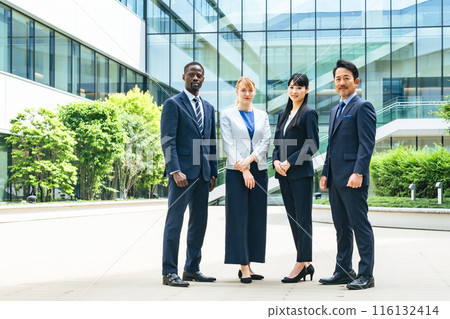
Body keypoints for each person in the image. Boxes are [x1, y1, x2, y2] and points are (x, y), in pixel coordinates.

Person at [319, 59, 376, 290]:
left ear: (356, 81)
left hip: (353, 178)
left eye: (346, 78)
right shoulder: (335, 110)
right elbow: (331, 147)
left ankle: (366, 275)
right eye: (338, 79)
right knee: (341, 227)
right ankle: (344, 270)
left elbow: (366, 144)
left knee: (359, 226)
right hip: (335, 178)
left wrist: (359, 172)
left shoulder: (363, 107)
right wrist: (324, 173)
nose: (341, 82)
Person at [160, 62, 218, 287]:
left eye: (200, 75)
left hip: (203, 175)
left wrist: (212, 172)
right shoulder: (172, 104)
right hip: (182, 174)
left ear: (203, 79)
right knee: (174, 223)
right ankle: (169, 272)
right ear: (183, 76)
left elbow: (211, 142)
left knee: (199, 223)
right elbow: (168, 140)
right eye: (192, 74)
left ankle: (192, 268)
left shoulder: (209, 107)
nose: (196, 78)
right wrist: (175, 170)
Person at [220, 76, 270, 284]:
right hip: (236, 171)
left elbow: (266, 140)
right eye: (243, 90)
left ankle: (250, 263)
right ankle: (243, 266)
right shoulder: (227, 114)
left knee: (256, 219)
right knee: (238, 218)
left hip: (258, 168)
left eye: (250, 90)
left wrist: (250, 161)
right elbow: (227, 143)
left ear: (254, 92)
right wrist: (244, 169)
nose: (247, 94)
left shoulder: (262, 114)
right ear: (237, 92)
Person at [272, 73, 319, 283]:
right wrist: (276, 162)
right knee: (293, 219)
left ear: (306, 90)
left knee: (303, 220)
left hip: (300, 174)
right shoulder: (283, 115)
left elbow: (312, 144)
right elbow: (276, 145)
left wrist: (289, 162)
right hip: (283, 175)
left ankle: (301, 263)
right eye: (292, 87)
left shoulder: (309, 113)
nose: (294, 91)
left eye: (299, 88)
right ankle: (306, 264)